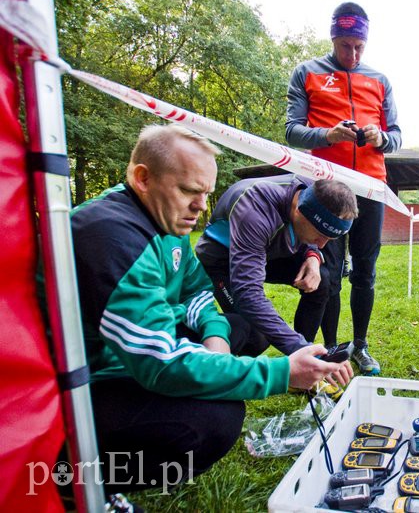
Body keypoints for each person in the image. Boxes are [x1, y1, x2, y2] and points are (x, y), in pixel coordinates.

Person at [68, 125, 352, 492]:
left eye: (206, 192)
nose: (202, 206)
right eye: (189, 190)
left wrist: (215, 337)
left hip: (143, 351)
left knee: (243, 331)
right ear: (143, 178)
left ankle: (216, 367)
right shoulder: (110, 235)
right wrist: (282, 372)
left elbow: (195, 290)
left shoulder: (165, 219)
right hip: (94, 380)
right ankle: (76, 483)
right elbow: (159, 362)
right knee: (218, 420)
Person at [285, 2, 401, 376]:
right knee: (329, 274)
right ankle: (333, 346)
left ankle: (361, 345)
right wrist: (328, 134)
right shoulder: (307, 72)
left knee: (365, 270)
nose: (352, 54)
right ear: (333, 38)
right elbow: (291, 130)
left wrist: (380, 138)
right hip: (328, 186)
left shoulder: (380, 80)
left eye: (359, 47)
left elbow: (397, 136)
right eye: (345, 45)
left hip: (370, 186)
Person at [194, 175, 358, 397]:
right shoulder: (255, 209)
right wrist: (298, 346)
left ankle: (301, 368)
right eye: (320, 236)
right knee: (255, 334)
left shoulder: (314, 193)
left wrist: (313, 255)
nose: (323, 244)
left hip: (269, 250)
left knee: (321, 281)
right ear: (299, 211)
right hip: (224, 260)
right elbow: (248, 294)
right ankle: (226, 377)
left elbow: (313, 242)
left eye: (330, 238)